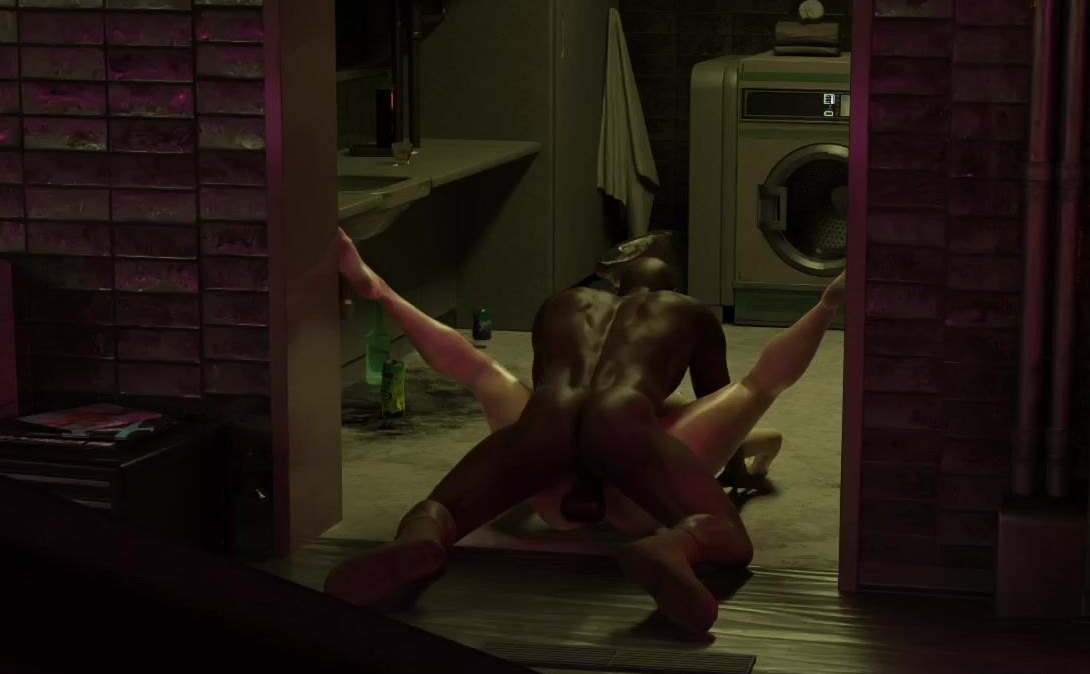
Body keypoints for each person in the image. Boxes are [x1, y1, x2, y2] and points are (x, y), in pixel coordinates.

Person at [326, 230, 844, 634]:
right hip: (622, 423)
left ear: (616, 287)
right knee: (744, 440)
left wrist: (381, 292)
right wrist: (826, 306)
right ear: (672, 290)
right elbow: (720, 397)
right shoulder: (689, 314)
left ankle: (422, 537)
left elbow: (532, 385)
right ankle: (673, 548)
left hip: (548, 416)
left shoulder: (563, 304)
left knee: (476, 386)